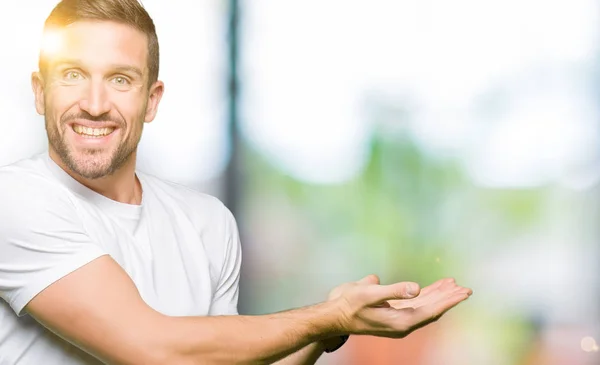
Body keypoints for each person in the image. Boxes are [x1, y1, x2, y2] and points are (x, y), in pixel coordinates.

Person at [0, 0, 473, 364]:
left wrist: (326, 328)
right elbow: (154, 349)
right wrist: (324, 317)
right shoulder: (14, 200)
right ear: (40, 93)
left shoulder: (207, 222)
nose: (96, 103)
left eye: (121, 80)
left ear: (152, 99)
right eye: (73, 75)